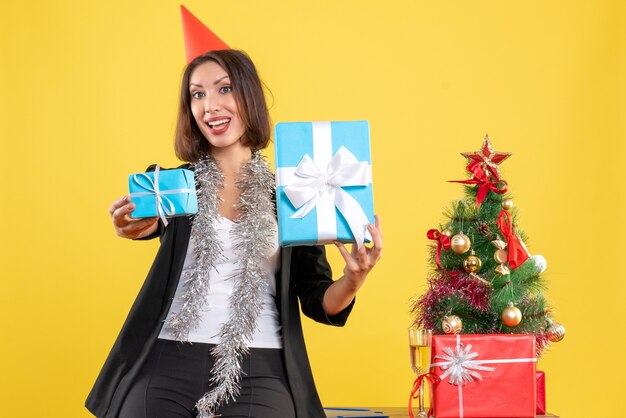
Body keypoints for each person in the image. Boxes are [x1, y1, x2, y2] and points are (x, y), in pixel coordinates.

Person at [85, 49, 382, 418]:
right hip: (165, 360)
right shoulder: (174, 185)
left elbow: (318, 300)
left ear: (250, 98)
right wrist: (127, 224)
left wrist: (354, 278)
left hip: (260, 367)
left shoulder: (295, 197)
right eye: (198, 94)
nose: (210, 105)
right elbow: (141, 221)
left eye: (224, 89)